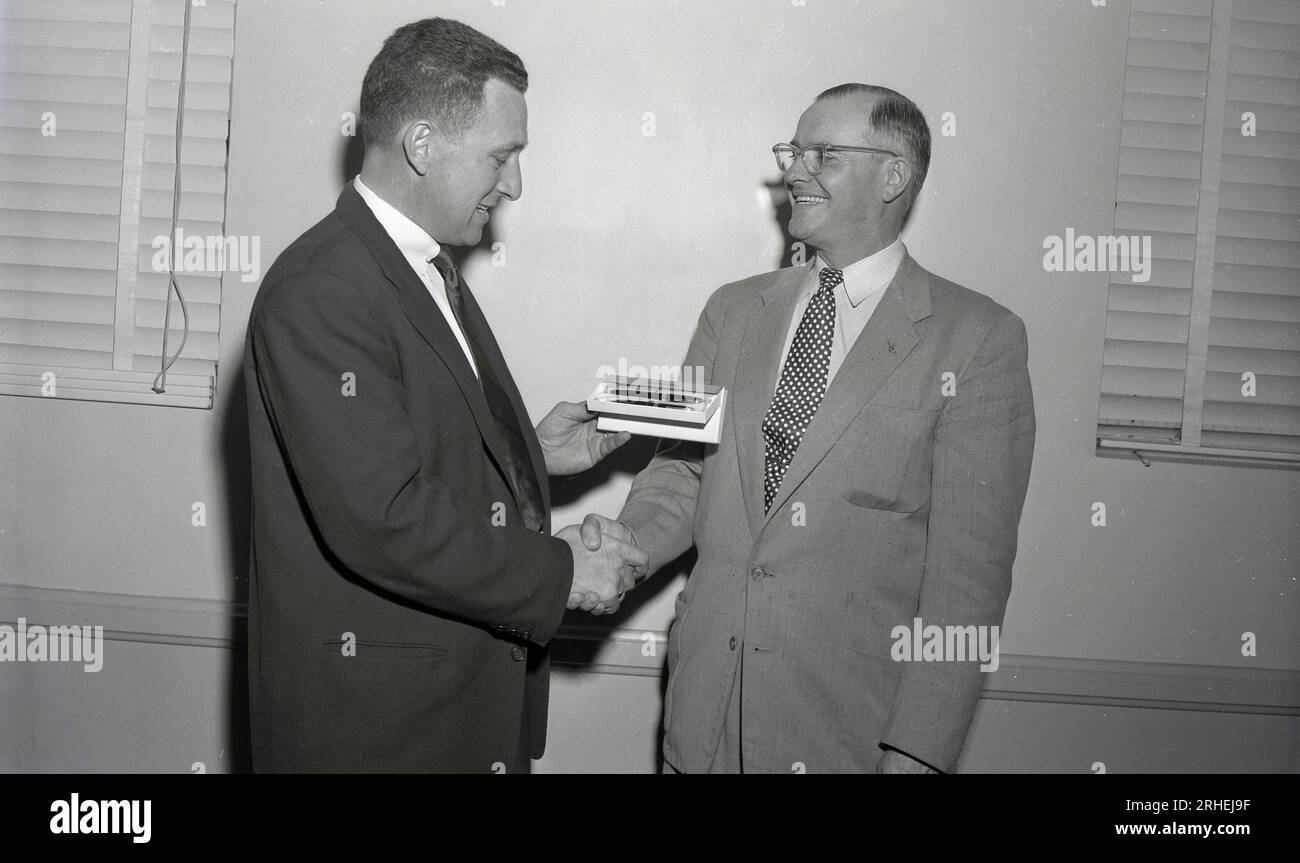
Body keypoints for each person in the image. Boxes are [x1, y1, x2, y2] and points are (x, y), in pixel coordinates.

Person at [582, 83, 1036, 773]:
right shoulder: (731, 312)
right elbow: (681, 473)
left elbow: (967, 585)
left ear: (894, 175)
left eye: (823, 154)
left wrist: (917, 753)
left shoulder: (976, 340)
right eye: (794, 150)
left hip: (845, 738)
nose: (794, 170)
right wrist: (626, 548)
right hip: (700, 724)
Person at [243, 17, 644, 773]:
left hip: (448, 719)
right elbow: (382, 518)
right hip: (380, 734)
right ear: (422, 146)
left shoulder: (418, 266)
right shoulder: (324, 288)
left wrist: (529, 451)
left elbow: (394, 446)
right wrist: (561, 572)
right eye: (503, 155)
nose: (516, 183)